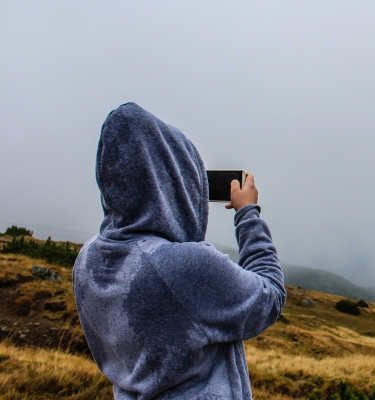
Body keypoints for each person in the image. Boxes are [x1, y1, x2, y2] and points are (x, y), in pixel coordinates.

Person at [73, 102, 286, 399]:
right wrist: (248, 213)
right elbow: (270, 296)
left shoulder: (87, 260)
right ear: (171, 184)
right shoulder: (183, 266)